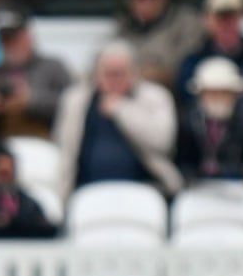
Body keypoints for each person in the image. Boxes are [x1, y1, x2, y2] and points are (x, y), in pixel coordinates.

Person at [52, 40, 182, 200]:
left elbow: (163, 142)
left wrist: (121, 109)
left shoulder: (155, 96)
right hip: (86, 192)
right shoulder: (76, 100)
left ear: (133, 73)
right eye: (108, 73)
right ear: (96, 74)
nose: (113, 80)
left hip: (148, 190)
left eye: (119, 73)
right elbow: (64, 149)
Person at [0, 8, 72, 145]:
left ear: (28, 37)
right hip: (0, 146)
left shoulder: (53, 68)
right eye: (4, 40)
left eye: (14, 39)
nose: (9, 45)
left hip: (45, 144)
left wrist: (31, 101)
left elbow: (72, 108)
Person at [175, 57, 243, 185]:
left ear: (235, 94)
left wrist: (227, 171)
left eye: (224, 93)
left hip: (242, 186)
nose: (217, 98)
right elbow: (183, 162)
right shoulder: (188, 119)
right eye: (211, 93)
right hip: (197, 186)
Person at [112, 0, 204, 91]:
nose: (142, 2)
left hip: (172, 93)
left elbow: (186, 64)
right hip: (129, 91)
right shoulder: (125, 25)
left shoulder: (185, 22)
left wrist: (152, 73)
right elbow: (109, 59)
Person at [0, 147, 57, 239]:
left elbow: (47, 228)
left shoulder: (27, 203)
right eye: (1, 173)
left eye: (8, 172)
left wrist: (14, 222)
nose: (4, 179)